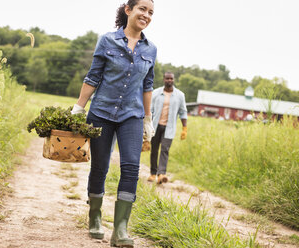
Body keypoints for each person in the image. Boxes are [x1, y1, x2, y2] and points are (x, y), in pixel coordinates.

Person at [71, 0, 156, 247]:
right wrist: (79, 106)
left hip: (132, 116)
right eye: (142, 9)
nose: (146, 15)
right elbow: (94, 76)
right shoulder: (107, 40)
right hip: (101, 113)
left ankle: (120, 229)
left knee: (131, 168)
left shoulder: (151, 50)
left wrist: (148, 119)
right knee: (100, 167)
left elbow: (147, 85)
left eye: (151, 13)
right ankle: (95, 217)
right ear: (128, 10)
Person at [148, 72, 187, 184]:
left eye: (171, 78)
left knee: (165, 150)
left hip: (169, 128)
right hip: (155, 126)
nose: (169, 80)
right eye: (167, 78)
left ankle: (161, 174)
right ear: (163, 79)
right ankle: (153, 173)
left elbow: (183, 112)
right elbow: (150, 110)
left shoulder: (180, 95)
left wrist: (185, 128)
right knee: (154, 150)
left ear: (173, 80)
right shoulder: (155, 93)